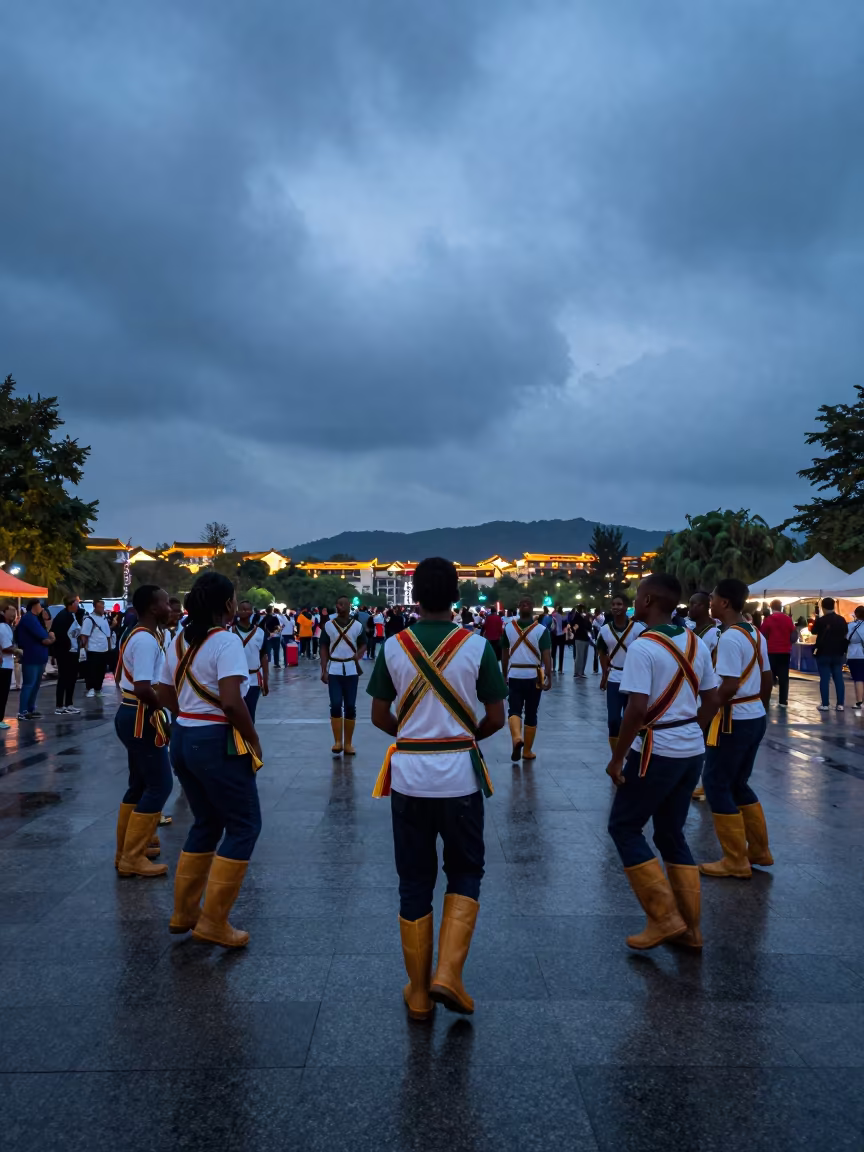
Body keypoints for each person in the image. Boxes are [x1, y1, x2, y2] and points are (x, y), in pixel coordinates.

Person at [367, 557, 507, 1018]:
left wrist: (414, 738)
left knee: (414, 879)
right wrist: (460, 739)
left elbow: (379, 715)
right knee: (465, 870)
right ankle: (448, 973)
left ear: (415, 595)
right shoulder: (477, 647)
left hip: (409, 777)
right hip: (460, 777)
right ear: (456, 595)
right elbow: (496, 717)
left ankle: (419, 992)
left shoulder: (393, 646)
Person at [606, 573, 719, 950]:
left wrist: (617, 758)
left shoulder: (642, 646)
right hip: (691, 751)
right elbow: (713, 698)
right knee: (671, 834)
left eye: (638, 596)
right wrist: (690, 730)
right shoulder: (695, 641)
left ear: (649, 600)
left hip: (656, 751)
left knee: (624, 827)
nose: (634, 601)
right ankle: (692, 930)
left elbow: (636, 709)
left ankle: (664, 917)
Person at [158, 571, 263, 948]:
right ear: (227, 604)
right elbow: (232, 702)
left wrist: (189, 714)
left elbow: (163, 691)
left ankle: (184, 912)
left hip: (183, 736)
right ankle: (214, 921)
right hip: (216, 740)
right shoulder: (226, 641)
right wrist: (253, 738)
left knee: (206, 822)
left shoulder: (177, 640)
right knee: (244, 825)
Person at [700, 578, 773, 880]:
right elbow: (767, 678)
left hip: (733, 719)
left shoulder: (730, 637)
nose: (710, 603)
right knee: (738, 783)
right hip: (753, 716)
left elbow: (728, 686)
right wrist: (759, 710)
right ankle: (759, 850)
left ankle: (735, 860)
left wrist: (703, 717)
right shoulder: (754, 632)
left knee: (716, 783)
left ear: (724, 603)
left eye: (713, 598)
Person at [113, 584, 174, 877]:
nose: (170, 608)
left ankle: (126, 851)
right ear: (152, 607)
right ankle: (132, 857)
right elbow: (142, 687)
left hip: (132, 713)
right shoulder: (146, 640)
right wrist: (167, 708)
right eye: (165, 603)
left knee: (139, 784)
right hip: (141, 715)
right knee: (161, 785)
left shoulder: (141, 635)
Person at [501, 595, 552, 762]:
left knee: (514, 709)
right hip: (534, 676)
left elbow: (504, 653)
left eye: (526, 603)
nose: (525, 605)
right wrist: (549, 675)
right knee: (531, 712)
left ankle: (517, 738)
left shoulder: (508, 628)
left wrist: (504, 674)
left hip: (515, 674)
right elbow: (546, 654)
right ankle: (527, 750)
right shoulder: (542, 630)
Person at [597, 595, 645, 751]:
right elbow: (602, 653)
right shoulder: (604, 630)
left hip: (634, 679)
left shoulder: (639, 629)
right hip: (614, 677)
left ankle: (630, 752)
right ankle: (616, 754)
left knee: (632, 718)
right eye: (613, 604)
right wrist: (604, 676)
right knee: (613, 720)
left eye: (619, 604)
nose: (616, 607)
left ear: (626, 607)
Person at [320, 594, 366, 755]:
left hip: (351, 670)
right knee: (335, 704)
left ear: (348, 606)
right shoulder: (328, 626)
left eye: (342, 604)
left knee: (350, 706)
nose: (339, 607)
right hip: (334, 669)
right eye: (338, 604)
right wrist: (324, 669)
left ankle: (348, 744)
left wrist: (358, 654)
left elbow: (364, 643)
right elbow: (323, 647)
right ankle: (337, 742)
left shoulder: (357, 626)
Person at [686, 591, 719, 800]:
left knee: (706, 737)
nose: (690, 608)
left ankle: (707, 783)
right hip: (689, 690)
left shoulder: (715, 633)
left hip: (706, 689)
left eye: (694, 604)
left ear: (705, 606)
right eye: (690, 604)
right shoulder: (689, 631)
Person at [16, 599, 55, 720]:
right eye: (40, 606)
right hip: (32, 656)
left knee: (35, 684)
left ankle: (30, 708)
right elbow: (44, 636)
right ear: (34, 606)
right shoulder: (29, 618)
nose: (42, 609)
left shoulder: (34, 619)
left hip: (39, 656)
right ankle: (23, 711)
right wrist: (51, 638)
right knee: (29, 684)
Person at [232, 599, 269, 722]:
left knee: (250, 713)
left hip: (253, 679)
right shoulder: (230, 632)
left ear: (252, 612)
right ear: (237, 612)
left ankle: (249, 734)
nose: (244, 611)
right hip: (234, 679)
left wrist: (266, 681)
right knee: (236, 714)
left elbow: (264, 656)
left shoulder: (260, 633)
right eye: (242, 609)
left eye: (247, 609)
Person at [811, 597, 848, 711]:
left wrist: (816, 619)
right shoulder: (841, 620)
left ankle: (825, 704)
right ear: (834, 606)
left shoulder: (821, 620)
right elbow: (845, 632)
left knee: (824, 678)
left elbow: (813, 631)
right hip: (838, 652)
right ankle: (840, 704)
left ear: (822, 607)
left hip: (823, 652)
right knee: (839, 678)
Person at [759, 600, 798, 709]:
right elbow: (793, 636)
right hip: (785, 651)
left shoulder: (768, 619)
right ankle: (783, 701)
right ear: (781, 607)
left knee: (769, 676)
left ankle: (767, 699)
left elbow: (762, 634)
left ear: (771, 607)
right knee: (784, 676)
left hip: (771, 651)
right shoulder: (788, 619)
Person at [52, 594, 83, 715]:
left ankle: (69, 704)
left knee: (72, 678)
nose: (78, 605)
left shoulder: (72, 615)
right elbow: (58, 634)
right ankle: (59, 706)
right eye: (77, 602)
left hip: (73, 651)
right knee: (64, 678)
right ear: (72, 603)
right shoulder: (63, 616)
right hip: (65, 652)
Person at [81, 600, 114, 697]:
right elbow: (84, 635)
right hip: (93, 649)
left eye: (103, 607)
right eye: (100, 607)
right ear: (95, 607)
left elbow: (107, 634)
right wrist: (84, 647)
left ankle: (98, 689)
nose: (102, 609)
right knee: (92, 670)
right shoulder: (89, 619)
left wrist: (109, 647)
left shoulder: (104, 618)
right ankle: (90, 688)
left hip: (104, 649)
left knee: (101, 671)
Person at [0, 604, 22, 730]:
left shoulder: (7, 626)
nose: (14, 614)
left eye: (15, 611)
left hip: (6, 664)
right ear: (3, 612)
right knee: (2, 694)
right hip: (3, 665)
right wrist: (17, 651)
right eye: (11, 611)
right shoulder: (3, 626)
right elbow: (5, 647)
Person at [846, 606, 864, 711]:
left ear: (856, 614)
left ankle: (859, 702)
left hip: (855, 654)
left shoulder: (851, 626)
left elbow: (846, 638)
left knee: (858, 678)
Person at [569, 605, 592, 677]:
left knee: (584, 656)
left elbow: (589, 626)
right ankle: (577, 672)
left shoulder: (586, 617)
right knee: (580, 656)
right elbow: (573, 625)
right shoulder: (577, 617)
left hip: (585, 638)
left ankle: (581, 671)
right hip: (580, 638)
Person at [550, 604, 567, 673]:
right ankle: (560, 668)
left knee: (553, 652)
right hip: (562, 635)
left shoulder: (554, 615)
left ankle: (553, 667)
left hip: (554, 635)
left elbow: (551, 617)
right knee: (561, 652)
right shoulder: (563, 617)